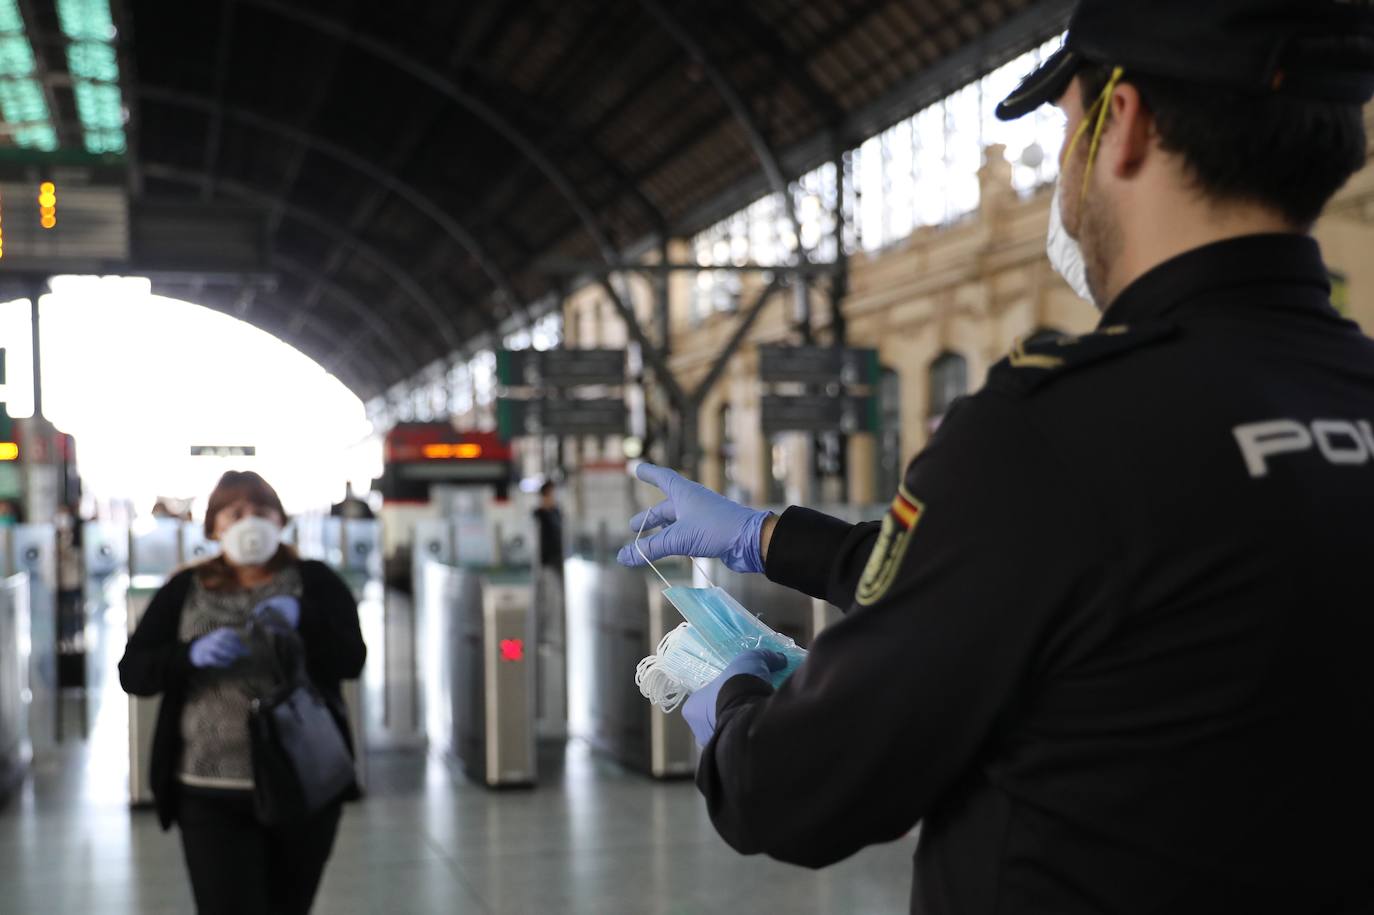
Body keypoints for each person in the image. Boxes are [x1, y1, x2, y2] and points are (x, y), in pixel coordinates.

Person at [619, 2, 1374, 911]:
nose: (1061, 172)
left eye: (1063, 131)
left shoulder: (1049, 432)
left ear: (1121, 125)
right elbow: (1030, 578)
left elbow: (793, 791)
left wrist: (733, 700)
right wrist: (771, 536)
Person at [119, 470, 366, 915]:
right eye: (235, 512)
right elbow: (134, 673)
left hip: (302, 782)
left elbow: (351, 661)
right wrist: (188, 656)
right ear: (214, 526)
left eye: (261, 510)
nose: (249, 521)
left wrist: (304, 618)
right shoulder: (183, 589)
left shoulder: (316, 582)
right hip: (208, 788)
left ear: (280, 520)